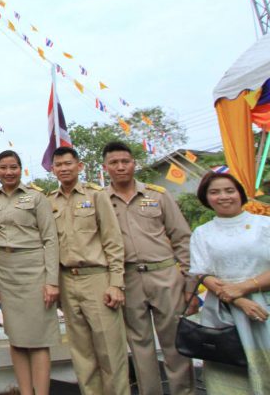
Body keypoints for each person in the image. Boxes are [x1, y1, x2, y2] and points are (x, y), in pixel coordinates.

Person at [103, 141, 197, 395]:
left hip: (165, 274)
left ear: (134, 163)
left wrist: (189, 283)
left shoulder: (157, 195)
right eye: (114, 163)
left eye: (126, 161)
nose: (121, 167)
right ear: (105, 167)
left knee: (175, 343)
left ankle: (184, 392)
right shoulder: (100, 199)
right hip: (129, 278)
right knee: (140, 345)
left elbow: (182, 238)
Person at [49, 146, 129, 395]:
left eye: (68, 164)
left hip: (97, 278)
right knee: (82, 353)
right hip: (67, 280)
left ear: (79, 166)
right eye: (59, 165)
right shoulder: (49, 201)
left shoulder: (96, 196)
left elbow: (113, 241)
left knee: (110, 351)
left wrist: (116, 283)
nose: (63, 169)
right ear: (53, 170)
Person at [190, 171, 270, 394]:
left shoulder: (264, 225)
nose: (223, 196)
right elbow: (202, 273)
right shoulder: (202, 233)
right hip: (223, 313)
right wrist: (240, 301)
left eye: (229, 190)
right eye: (214, 192)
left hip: (264, 307)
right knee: (227, 377)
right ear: (206, 198)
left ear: (240, 194)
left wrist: (243, 288)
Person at [0, 150, 59, 395]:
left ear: (20, 169)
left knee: (38, 339)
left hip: (33, 270)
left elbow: (50, 239)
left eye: (13, 167)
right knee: (16, 337)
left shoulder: (36, 198)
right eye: (3, 168)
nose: (8, 172)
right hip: (5, 272)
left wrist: (51, 281)